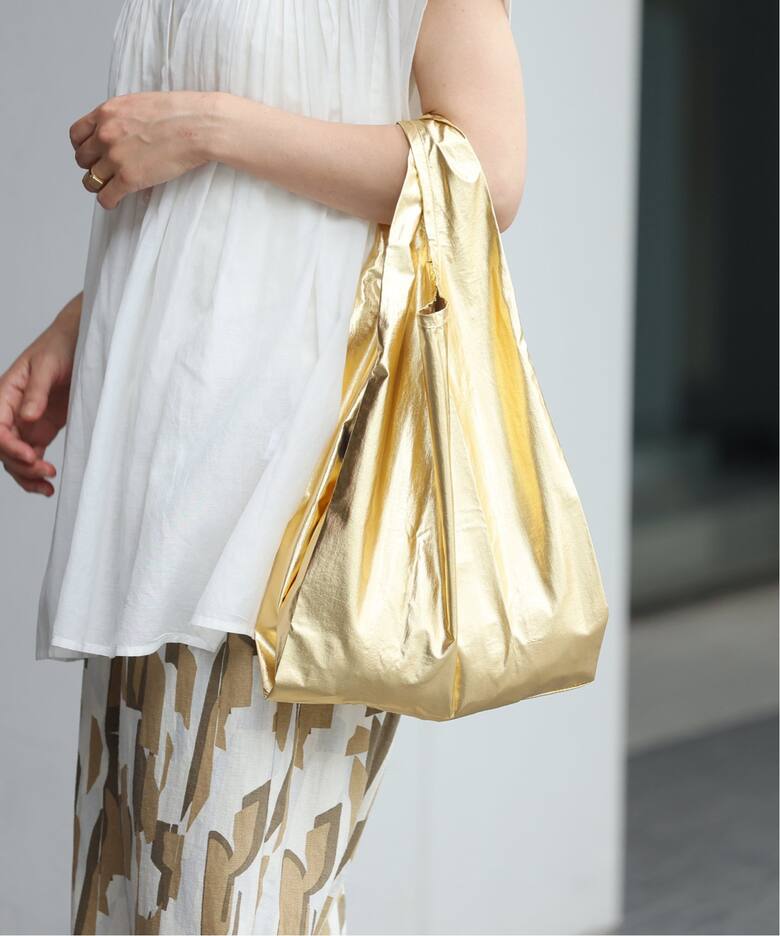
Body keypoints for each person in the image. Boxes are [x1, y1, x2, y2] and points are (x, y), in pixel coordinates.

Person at [0, 1, 526, 932]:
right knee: (134, 897)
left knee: (224, 902)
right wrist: (89, 323)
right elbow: (231, 212)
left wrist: (207, 125)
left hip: (291, 480)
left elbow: (484, 177)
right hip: (153, 479)